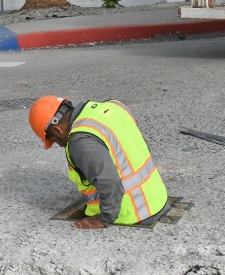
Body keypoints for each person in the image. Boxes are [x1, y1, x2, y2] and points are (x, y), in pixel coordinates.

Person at [28, 96, 168, 229]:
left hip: (132, 213)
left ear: (57, 129)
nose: (59, 145)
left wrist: (104, 218)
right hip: (157, 199)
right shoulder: (113, 107)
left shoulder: (80, 140)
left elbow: (109, 181)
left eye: (54, 139)